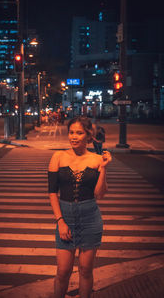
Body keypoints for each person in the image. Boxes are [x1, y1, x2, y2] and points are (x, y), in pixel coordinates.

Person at [48, 116, 112, 298]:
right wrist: (60, 221)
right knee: (63, 271)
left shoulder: (97, 160)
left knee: (85, 271)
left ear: (88, 136)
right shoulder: (58, 157)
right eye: (71, 132)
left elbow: (99, 194)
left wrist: (104, 168)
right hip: (65, 216)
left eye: (79, 133)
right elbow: (52, 193)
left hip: (90, 218)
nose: (74, 137)